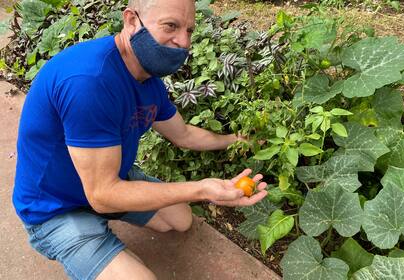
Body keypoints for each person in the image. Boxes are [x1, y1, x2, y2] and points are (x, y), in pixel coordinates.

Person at [12, 0, 268, 279]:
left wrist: (238, 140)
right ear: (132, 21)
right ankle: (91, 245)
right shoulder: (89, 81)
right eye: (171, 26)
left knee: (180, 220)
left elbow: (183, 134)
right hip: (54, 208)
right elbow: (103, 196)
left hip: (107, 179)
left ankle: (105, 233)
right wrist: (202, 189)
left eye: (189, 30)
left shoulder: (147, 78)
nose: (183, 42)